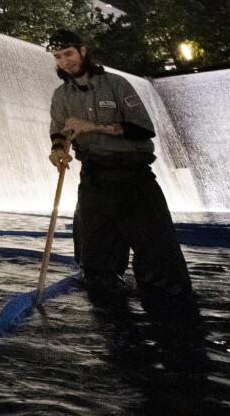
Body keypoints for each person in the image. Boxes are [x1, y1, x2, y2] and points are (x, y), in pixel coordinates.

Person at [45, 28, 193, 302]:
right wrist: (57, 150)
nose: (65, 61)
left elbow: (143, 129)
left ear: (83, 51)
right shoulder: (60, 96)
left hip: (134, 178)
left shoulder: (116, 84)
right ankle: (110, 315)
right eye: (58, 57)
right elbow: (58, 132)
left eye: (69, 53)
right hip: (94, 179)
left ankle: (170, 314)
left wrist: (92, 127)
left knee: (159, 257)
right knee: (95, 259)